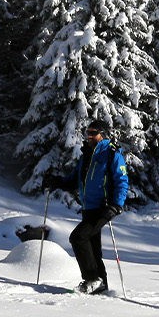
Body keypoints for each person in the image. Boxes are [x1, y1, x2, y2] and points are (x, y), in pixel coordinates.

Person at [50, 120, 129, 295]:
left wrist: (116, 205)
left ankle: (93, 279)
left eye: (94, 133)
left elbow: (122, 181)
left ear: (103, 135)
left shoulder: (111, 154)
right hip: (88, 207)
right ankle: (101, 286)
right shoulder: (86, 155)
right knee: (93, 248)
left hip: (104, 207)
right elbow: (74, 180)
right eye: (88, 132)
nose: (90, 136)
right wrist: (56, 182)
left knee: (78, 237)